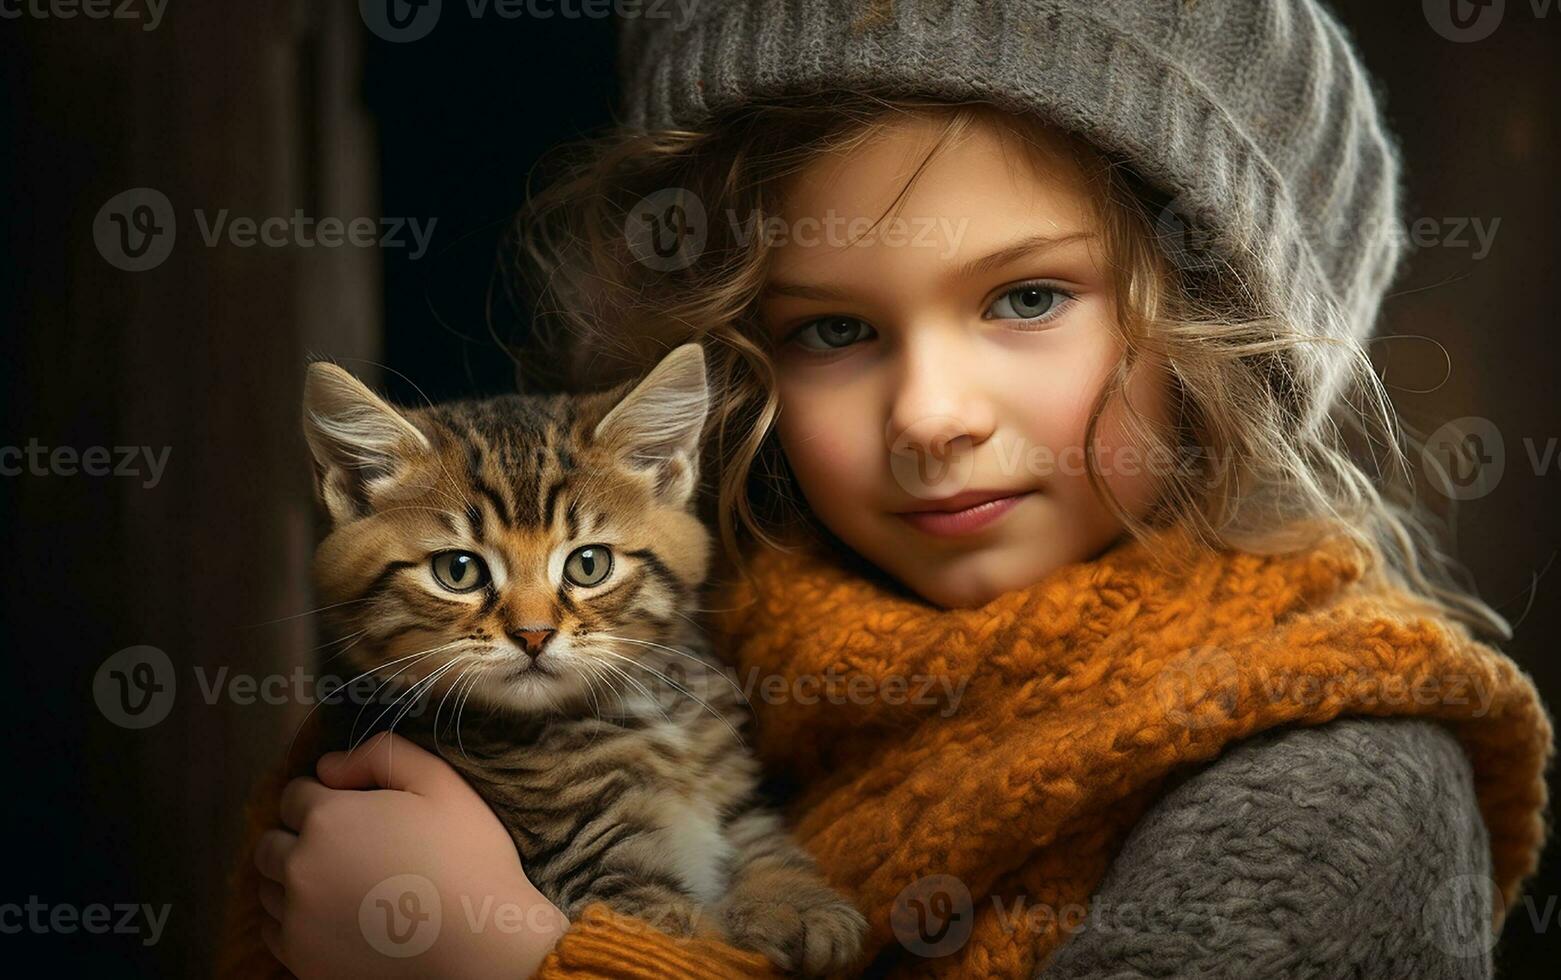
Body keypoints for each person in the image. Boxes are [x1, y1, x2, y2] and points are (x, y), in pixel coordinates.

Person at [221, 1, 1553, 977]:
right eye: (832, 332)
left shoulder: (1338, 787)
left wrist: (514, 959)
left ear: (1222, 336)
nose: (929, 417)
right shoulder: (680, 671)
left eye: (1027, 298)